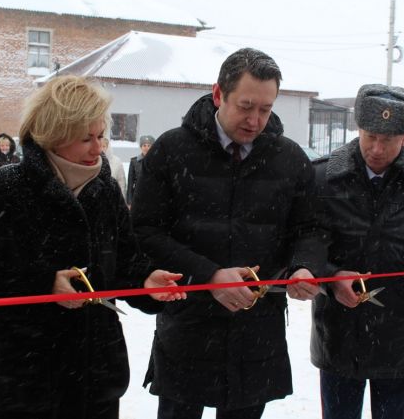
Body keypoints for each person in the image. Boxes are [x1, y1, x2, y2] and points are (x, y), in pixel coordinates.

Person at [0, 75, 185, 419]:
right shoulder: (5, 188)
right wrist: (43, 284)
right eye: (85, 138)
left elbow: (124, 262)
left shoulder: (105, 189)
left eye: (101, 135)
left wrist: (144, 281)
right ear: (52, 134)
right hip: (25, 380)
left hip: (96, 376)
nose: (97, 148)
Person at [131, 48, 319, 419]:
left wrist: (303, 266)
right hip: (189, 323)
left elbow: (310, 228)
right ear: (219, 94)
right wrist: (208, 275)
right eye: (245, 106)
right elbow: (145, 230)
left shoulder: (289, 158)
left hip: (257, 326)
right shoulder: (172, 150)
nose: (255, 120)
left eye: (265, 109)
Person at [295, 84, 404, 419]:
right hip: (339, 332)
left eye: (389, 139)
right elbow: (305, 244)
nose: (376, 148)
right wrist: (330, 279)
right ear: (359, 129)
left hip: (402, 335)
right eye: (370, 135)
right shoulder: (324, 178)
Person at [126, 134, 154, 206]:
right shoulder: (134, 162)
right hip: (138, 197)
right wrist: (129, 202)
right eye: (144, 145)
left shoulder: (156, 162)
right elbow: (130, 184)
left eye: (149, 145)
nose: (146, 148)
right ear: (141, 147)